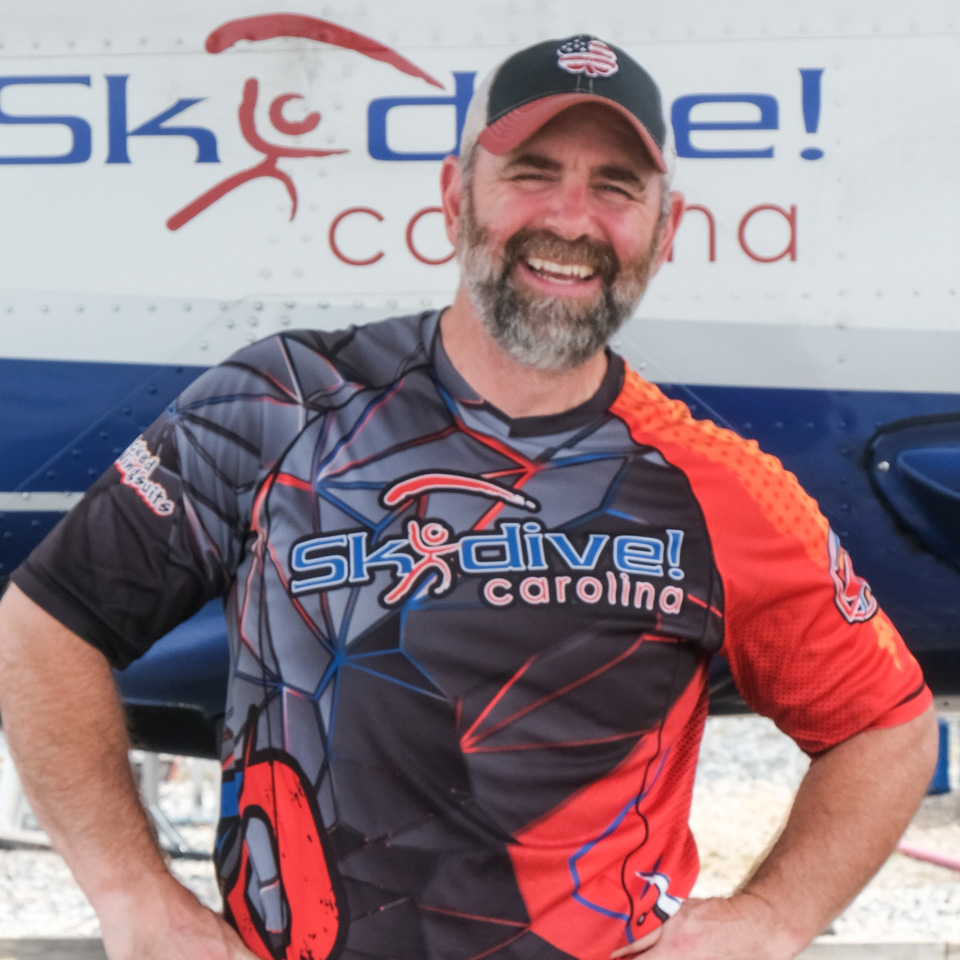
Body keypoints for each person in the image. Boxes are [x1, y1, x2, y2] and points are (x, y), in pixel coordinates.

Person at [0, 34, 937, 960]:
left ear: (665, 229)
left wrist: (771, 919)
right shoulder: (279, 404)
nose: (571, 219)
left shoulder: (717, 485)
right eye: (532, 172)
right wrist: (134, 896)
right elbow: (46, 624)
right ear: (455, 195)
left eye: (616, 188)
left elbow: (886, 730)